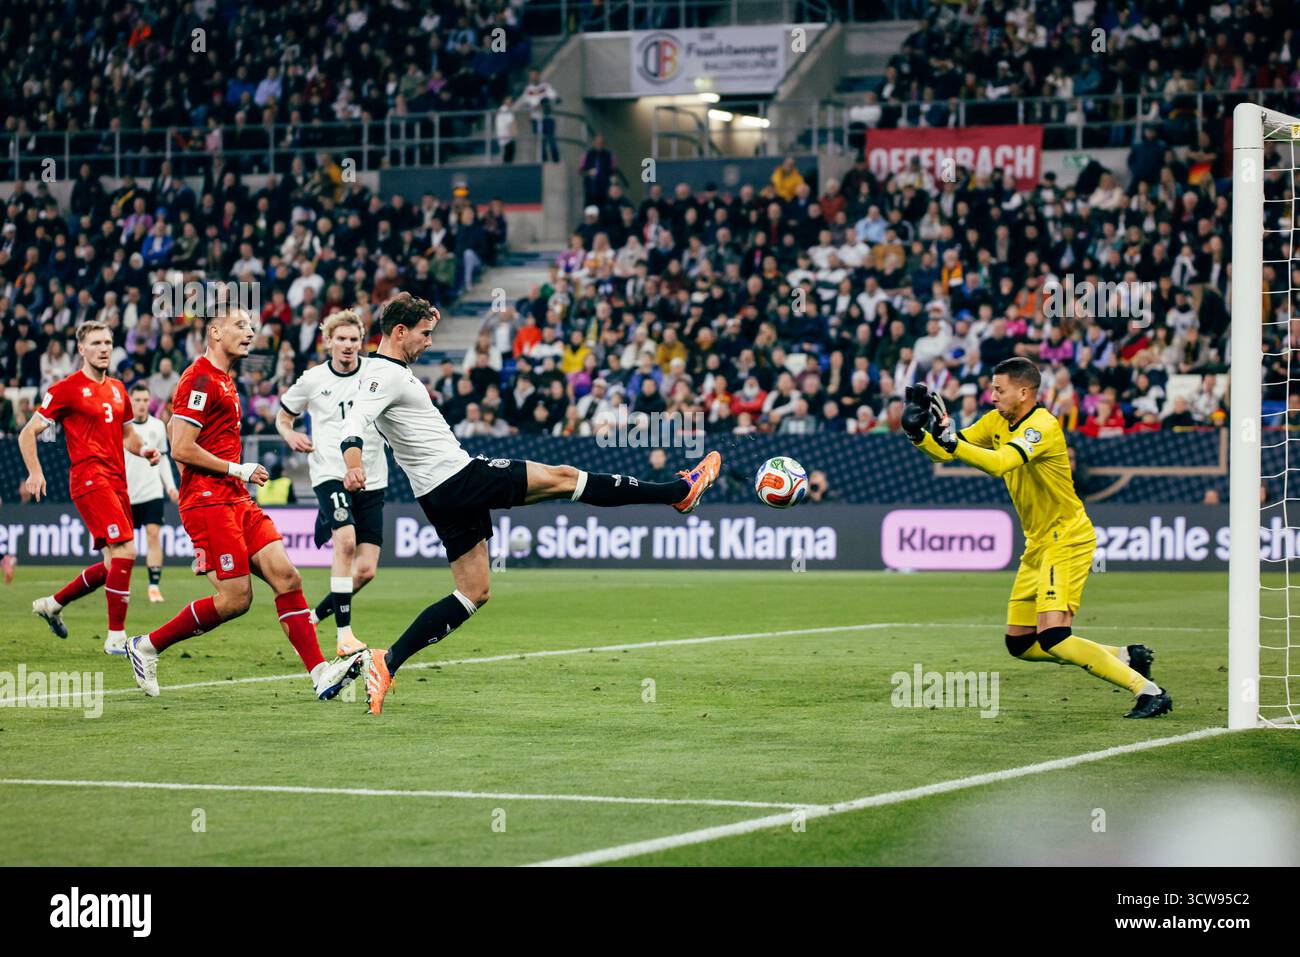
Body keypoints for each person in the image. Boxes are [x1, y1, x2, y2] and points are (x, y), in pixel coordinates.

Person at [339, 293, 722, 714]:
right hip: (460, 478)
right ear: (398, 332)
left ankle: (387, 661)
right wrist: (353, 464)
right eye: (425, 334)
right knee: (564, 477)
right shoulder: (383, 375)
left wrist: (423, 309)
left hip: (438, 494)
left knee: (474, 591)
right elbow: (355, 422)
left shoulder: (392, 371)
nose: (429, 341)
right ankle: (677, 492)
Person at [902, 356, 1172, 719]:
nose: (992, 394)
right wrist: (918, 435)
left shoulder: (1042, 426)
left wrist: (952, 443)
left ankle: (1148, 691)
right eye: (992, 388)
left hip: (1067, 537)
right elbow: (946, 453)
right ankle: (1127, 656)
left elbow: (999, 463)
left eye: (999, 389)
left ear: (1024, 392)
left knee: (1054, 636)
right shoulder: (996, 420)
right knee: (1021, 643)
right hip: (1038, 542)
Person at [122, 308, 363, 701]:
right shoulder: (200, 377)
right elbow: (180, 446)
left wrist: (234, 476)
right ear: (214, 331)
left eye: (252, 326)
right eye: (240, 325)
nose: (250, 332)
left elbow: (173, 428)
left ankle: (320, 673)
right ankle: (146, 645)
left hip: (235, 498)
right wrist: (237, 469)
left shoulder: (225, 380)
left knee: (288, 578)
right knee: (237, 600)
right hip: (208, 501)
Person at [20, 321, 160, 654]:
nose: (104, 348)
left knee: (114, 565)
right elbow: (28, 432)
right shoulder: (66, 388)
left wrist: (144, 449)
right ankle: (115, 637)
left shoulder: (117, 389)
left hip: (117, 481)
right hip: (89, 478)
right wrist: (35, 472)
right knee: (127, 551)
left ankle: (53, 604)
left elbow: (128, 435)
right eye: (96, 342)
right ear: (81, 349)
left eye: (108, 342)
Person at [276, 310, 386, 657]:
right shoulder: (311, 379)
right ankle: (344, 636)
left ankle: (312, 618)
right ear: (329, 342)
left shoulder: (376, 372)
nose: (348, 345)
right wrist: (288, 433)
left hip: (372, 474)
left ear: (361, 342)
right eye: (341, 339)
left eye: (354, 339)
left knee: (366, 570)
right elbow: (283, 416)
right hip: (329, 473)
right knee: (346, 543)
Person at [125, 383, 179, 603]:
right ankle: (122, 585)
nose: (141, 404)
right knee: (124, 544)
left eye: (145, 400)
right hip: (127, 492)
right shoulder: (123, 428)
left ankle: (154, 586)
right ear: (130, 401)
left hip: (152, 491)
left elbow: (164, 458)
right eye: (137, 400)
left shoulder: (158, 426)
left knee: (153, 535)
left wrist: (170, 486)